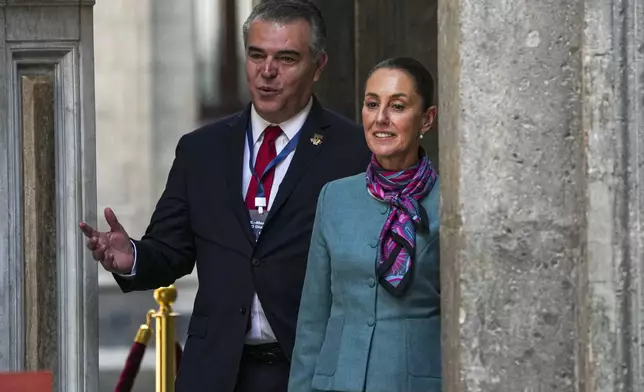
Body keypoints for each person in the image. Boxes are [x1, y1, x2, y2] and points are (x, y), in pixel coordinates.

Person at [78, 1, 371, 391]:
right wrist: (131, 256)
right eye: (256, 55)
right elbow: (170, 250)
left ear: (318, 67)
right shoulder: (201, 150)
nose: (267, 72)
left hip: (309, 371)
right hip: (215, 371)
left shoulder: (353, 151)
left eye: (286, 58)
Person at [288, 57, 441, 392]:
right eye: (372, 104)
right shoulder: (335, 197)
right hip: (337, 382)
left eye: (397, 106)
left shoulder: (451, 204)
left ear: (426, 119)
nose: (381, 118)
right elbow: (314, 317)